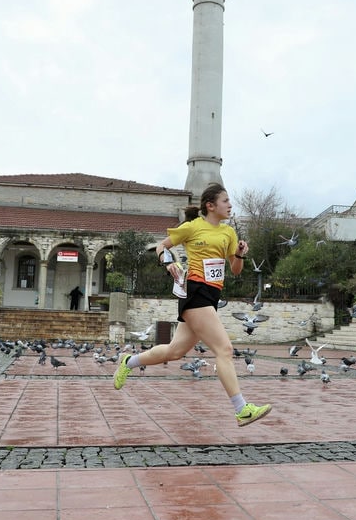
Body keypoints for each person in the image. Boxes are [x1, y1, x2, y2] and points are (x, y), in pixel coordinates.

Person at [113, 183, 272, 427]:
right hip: (194, 290)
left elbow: (236, 271)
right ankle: (242, 409)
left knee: (175, 351)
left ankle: (128, 362)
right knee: (224, 349)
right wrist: (168, 263)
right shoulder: (192, 227)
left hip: (212, 295)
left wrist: (240, 254)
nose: (230, 205)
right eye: (225, 201)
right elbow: (161, 246)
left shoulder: (229, 233)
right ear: (210, 205)